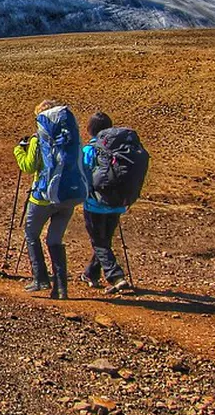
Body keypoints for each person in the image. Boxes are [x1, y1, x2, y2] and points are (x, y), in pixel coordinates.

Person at [13, 101, 86, 300]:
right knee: (55, 240)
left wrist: (19, 150)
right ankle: (61, 288)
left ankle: (41, 279)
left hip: (43, 198)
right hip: (67, 196)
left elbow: (28, 167)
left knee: (31, 234)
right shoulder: (72, 137)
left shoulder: (39, 139)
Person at [80, 111, 130, 293]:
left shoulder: (90, 150)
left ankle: (116, 276)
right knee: (104, 240)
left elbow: (84, 175)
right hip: (116, 203)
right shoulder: (118, 149)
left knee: (99, 242)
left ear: (89, 130)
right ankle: (90, 274)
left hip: (95, 204)